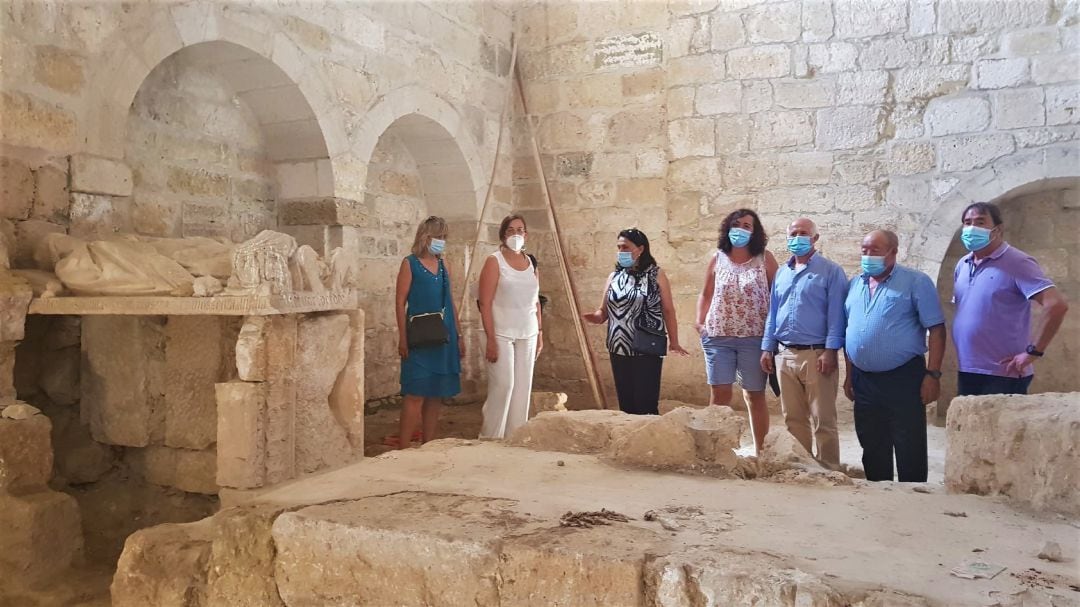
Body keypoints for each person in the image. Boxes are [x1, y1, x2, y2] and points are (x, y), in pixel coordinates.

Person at [843, 230, 946, 482]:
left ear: (893, 252)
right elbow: (849, 330)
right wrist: (849, 375)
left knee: (908, 441)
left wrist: (932, 374)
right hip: (863, 378)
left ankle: (914, 499)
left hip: (903, 376)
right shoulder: (855, 284)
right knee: (871, 441)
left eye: (875, 250)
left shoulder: (915, 282)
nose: (868, 255)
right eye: (864, 250)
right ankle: (879, 495)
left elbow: (937, 329)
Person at [951, 202, 1069, 396]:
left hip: (1003, 372)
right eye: (967, 222)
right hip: (968, 369)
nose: (972, 228)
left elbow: (1056, 305)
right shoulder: (962, 264)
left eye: (980, 222)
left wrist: (1033, 352)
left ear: (997, 229)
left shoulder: (1017, 262)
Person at [760, 218, 848, 469]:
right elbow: (773, 312)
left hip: (817, 354)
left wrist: (831, 351)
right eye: (793, 233)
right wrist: (767, 347)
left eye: (803, 233)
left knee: (824, 418)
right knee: (793, 418)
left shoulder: (831, 271)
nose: (797, 238)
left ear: (815, 238)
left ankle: (829, 468)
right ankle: (802, 467)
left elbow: (836, 316)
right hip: (785, 353)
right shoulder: (782, 273)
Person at [696, 209, 778, 454]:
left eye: (746, 225)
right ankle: (715, 449)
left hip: (754, 337)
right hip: (718, 336)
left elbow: (778, 295)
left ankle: (761, 451)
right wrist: (700, 322)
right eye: (736, 224)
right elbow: (706, 292)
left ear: (754, 232)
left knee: (754, 394)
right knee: (719, 394)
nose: (740, 229)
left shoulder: (765, 258)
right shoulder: (717, 258)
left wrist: (772, 337)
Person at [582, 228, 688, 415]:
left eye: (625, 247)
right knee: (626, 402)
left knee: (645, 402)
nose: (621, 251)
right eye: (619, 247)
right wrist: (592, 317)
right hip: (618, 345)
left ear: (640, 249)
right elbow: (603, 312)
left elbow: (668, 309)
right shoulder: (614, 277)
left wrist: (674, 341)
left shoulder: (656, 274)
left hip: (646, 346)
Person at [393, 216, 464, 448]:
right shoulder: (410, 263)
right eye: (438, 237)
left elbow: (450, 302)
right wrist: (402, 337)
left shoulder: (443, 267)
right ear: (426, 237)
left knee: (435, 393)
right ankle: (403, 448)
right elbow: (399, 301)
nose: (442, 241)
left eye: (444, 237)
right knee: (415, 392)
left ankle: (428, 444)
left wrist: (459, 335)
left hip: (442, 335)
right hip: (418, 336)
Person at [478, 215, 542, 439]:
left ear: (526, 235)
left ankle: (515, 437)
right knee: (504, 386)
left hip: (528, 331)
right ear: (503, 235)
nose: (516, 234)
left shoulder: (531, 262)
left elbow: (535, 300)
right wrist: (491, 339)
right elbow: (484, 302)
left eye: (520, 230)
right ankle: (490, 438)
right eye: (511, 230)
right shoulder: (494, 261)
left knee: (522, 389)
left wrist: (540, 332)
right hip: (500, 332)